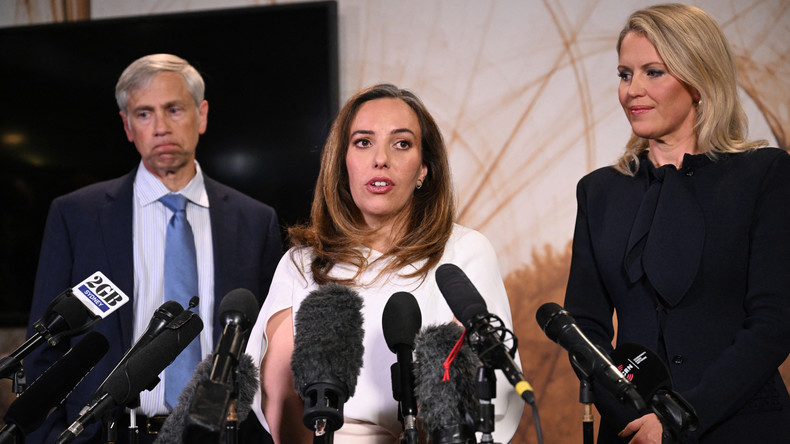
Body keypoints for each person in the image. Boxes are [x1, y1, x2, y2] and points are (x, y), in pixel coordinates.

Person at [23, 54, 283, 443]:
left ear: (201, 115)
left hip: (224, 434)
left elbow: (271, 350)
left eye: (174, 109)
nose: (161, 127)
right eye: (144, 114)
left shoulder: (255, 221)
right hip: (105, 435)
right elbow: (45, 345)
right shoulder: (76, 215)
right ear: (127, 126)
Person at [245, 84, 524, 443]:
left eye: (402, 143)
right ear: (342, 164)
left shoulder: (465, 252)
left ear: (424, 169)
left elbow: (491, 388)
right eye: (363, 142)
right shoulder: (302, 263)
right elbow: (278, 395)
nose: (381, 159)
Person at [563, 4, 790, 443]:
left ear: (699, 79)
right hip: (632, 432)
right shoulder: (599, 192)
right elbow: (583, 327)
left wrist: (680, 417)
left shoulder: (764, 175)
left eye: (653, 72)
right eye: (624, 74)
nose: (632, 90)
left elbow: (774, 321)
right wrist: (633, 415)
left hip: (740, 427)